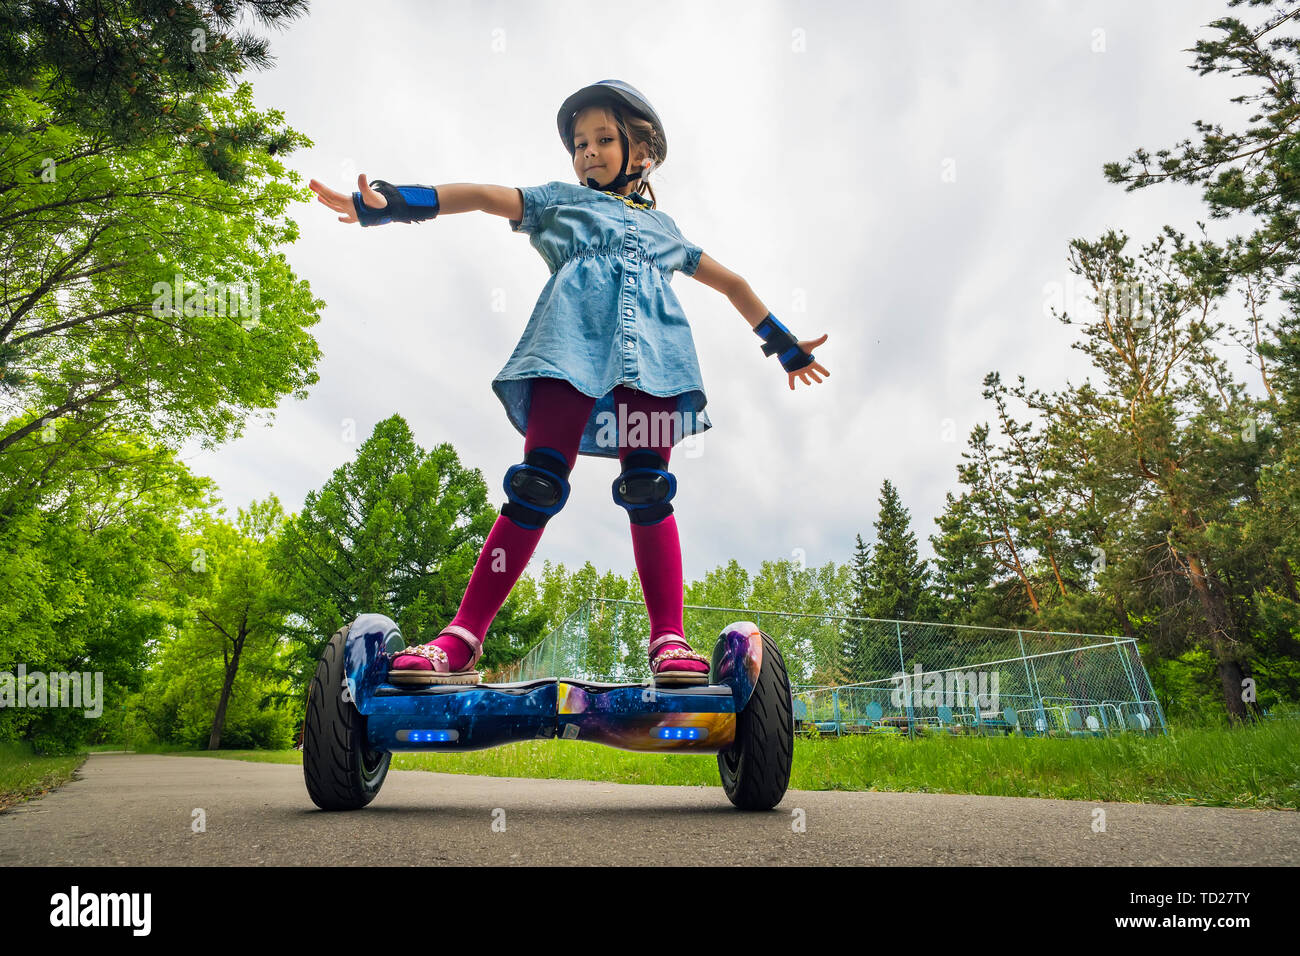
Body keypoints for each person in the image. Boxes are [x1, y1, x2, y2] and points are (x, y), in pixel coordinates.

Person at [308, 80, 828, 687]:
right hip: (566, 352)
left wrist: (785, 347)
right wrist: (397, 202)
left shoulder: (666, 230)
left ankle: (669, 640)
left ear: (644, 151)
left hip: (655, 363)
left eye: (604, 138)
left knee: (648, 488)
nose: (587, 152)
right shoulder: (559, 202)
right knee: (535, 484)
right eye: (579, 143)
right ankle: (462, 636)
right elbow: (480, 195)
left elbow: (733, 283)